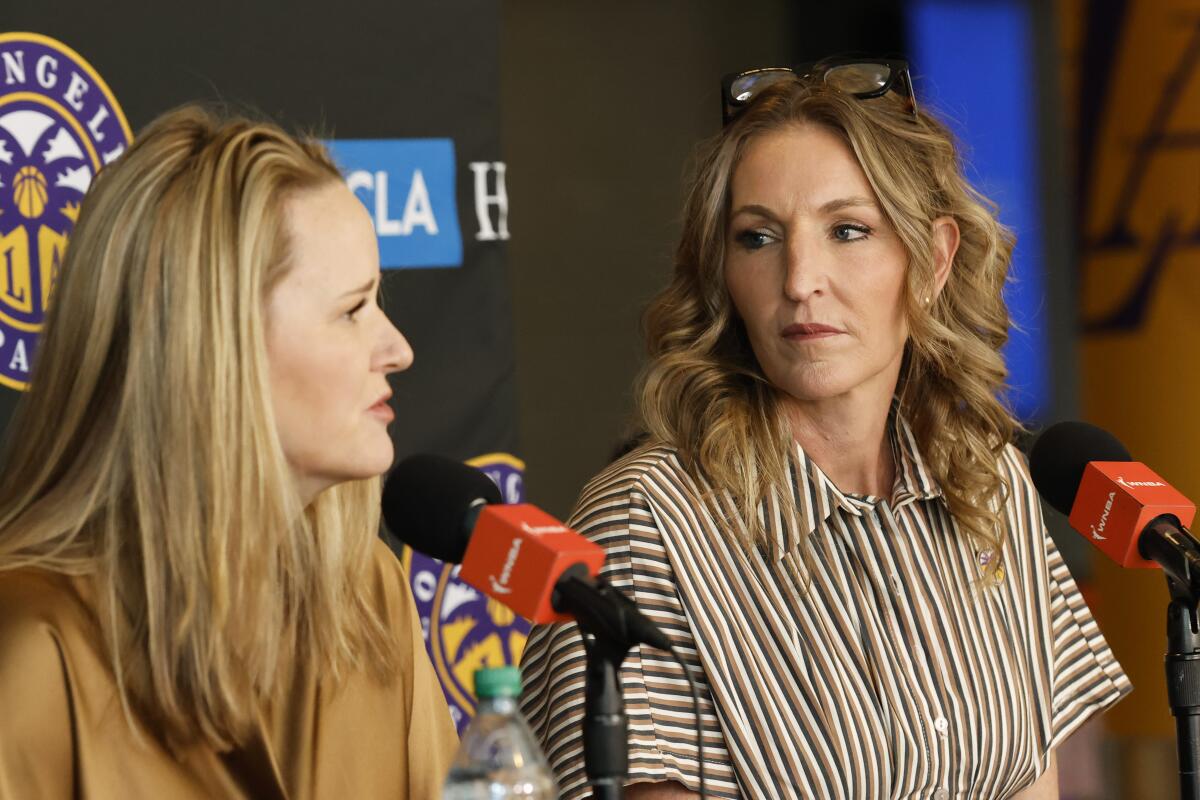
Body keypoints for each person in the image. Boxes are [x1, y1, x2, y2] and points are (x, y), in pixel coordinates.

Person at [519, 60, 1131, 799]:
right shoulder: (645, 524)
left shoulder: (989, 481)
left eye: (847, 230)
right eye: (757, 238)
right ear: (722, 273)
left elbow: (1033, 779)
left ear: (933, 259)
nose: (800, 277)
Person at [0, 105, 458, 798]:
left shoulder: (369, 597)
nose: (397, 349)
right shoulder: (35, 641)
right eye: (352, 310)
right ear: (217, 349)